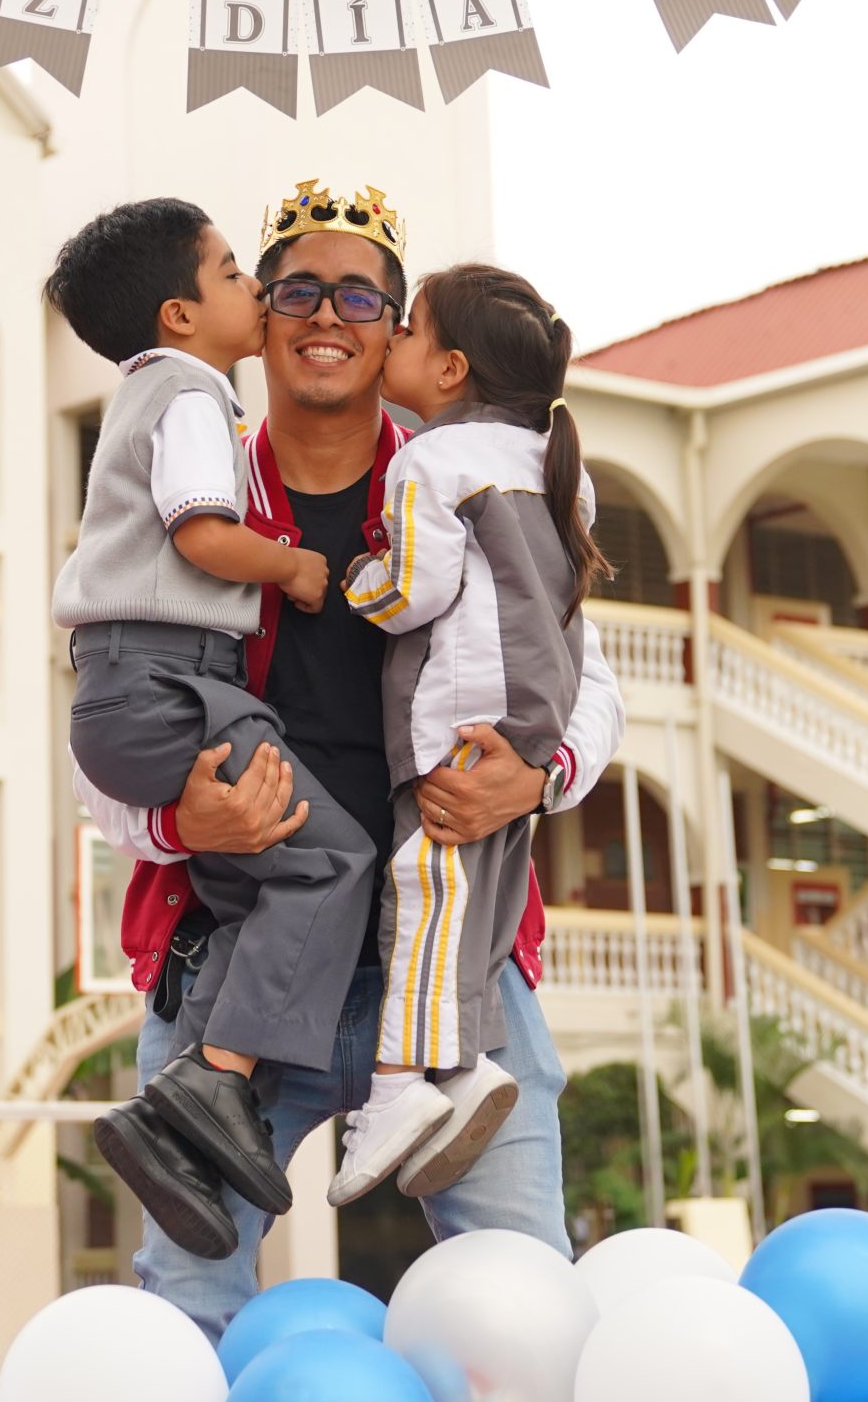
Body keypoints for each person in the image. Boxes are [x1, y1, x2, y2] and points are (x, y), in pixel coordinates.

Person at [74, 180, 627, 1341]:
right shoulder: (191, 482)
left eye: (361, 297)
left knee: (527, 1312)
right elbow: (108, 716)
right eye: (295, 290)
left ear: (402, 338)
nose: (327, 315)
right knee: (187, 1316)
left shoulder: (474, 476)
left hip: (456, 975)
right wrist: (179, 825)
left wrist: (539, 778)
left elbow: (589, 681)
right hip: (234, 966)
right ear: (257, 316)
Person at [46, 199, 379, 1261]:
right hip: (171, 684)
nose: (257, 291)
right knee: (332, 860)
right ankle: (216, 1080)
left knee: (254, 892)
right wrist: (290, 566)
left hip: (125, 684)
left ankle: (176, 1123)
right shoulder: (193, 396)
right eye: (237, 273)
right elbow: (200, 531)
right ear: (182, 314)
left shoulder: (148, 393)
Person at [328, 263, 612, 1207]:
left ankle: (397, 1086)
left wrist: (357, 582)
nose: (393, 340)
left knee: (426, 890)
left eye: (407, 327)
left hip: (456, 716)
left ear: (450, 369)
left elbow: (415, 590)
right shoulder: (558, 470)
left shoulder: (430, 460)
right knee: (479, 904)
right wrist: (543, 769)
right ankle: (467, 1063)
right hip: (529, 725)